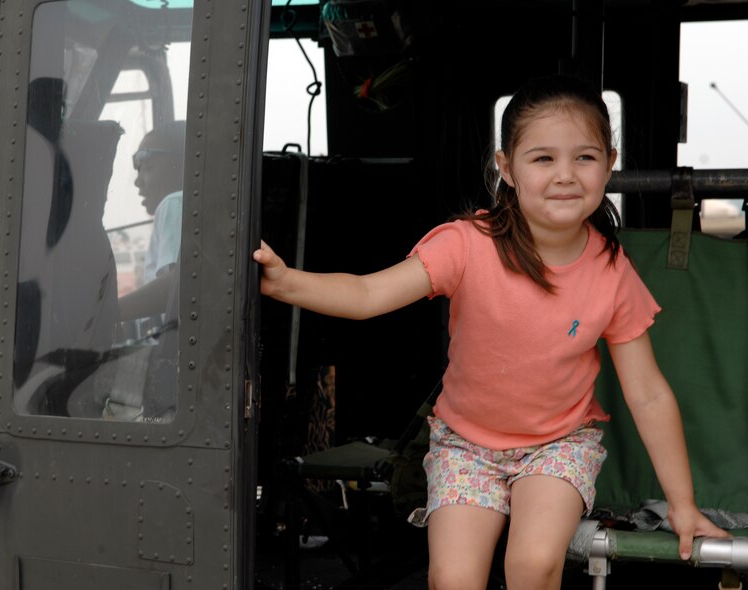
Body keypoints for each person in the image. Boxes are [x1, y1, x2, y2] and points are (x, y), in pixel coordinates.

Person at [253, 75, 729, 590]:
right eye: (543, 159)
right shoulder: (465, 246)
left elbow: (649, 394)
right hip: (465, 445)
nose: (566, 175)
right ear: (506, 168)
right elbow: (369, 296)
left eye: (585, 158)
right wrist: (286, 284)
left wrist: (683, 506)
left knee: (531, 565)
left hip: (558, 443)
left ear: (610, 164)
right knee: (453, 578)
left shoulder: (612, 272)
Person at [118, 121, 185, 324]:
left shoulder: (174, 203)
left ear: (182, 166)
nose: (138, 181)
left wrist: (108, 314)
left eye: (148, 168)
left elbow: (176, 285)